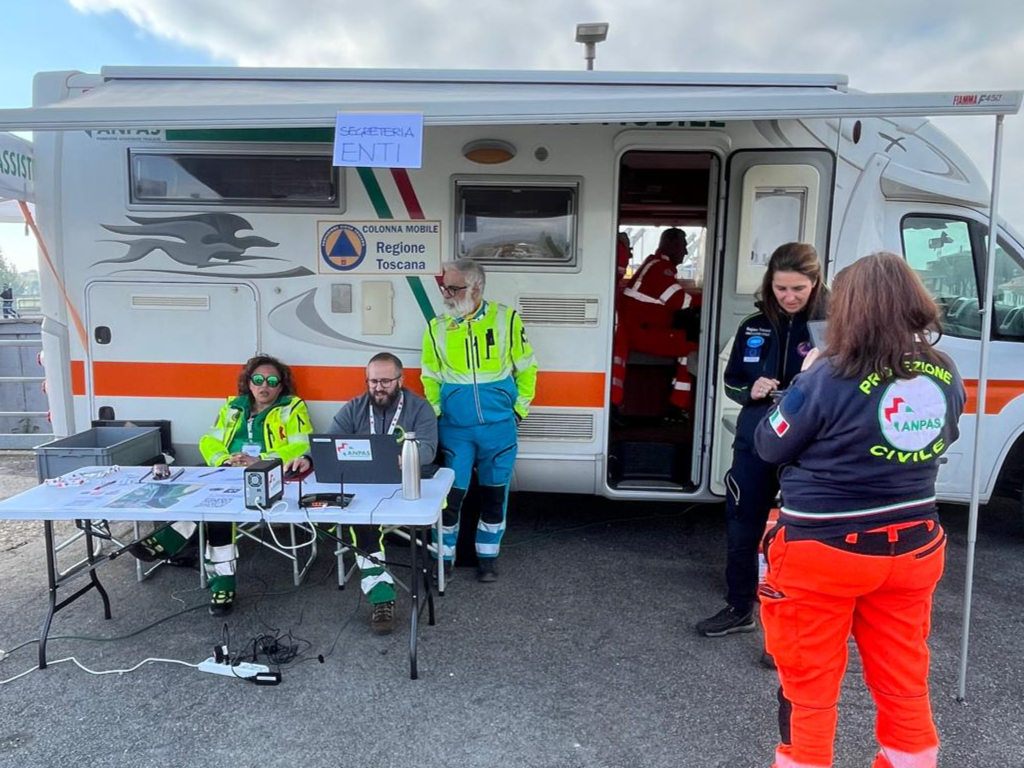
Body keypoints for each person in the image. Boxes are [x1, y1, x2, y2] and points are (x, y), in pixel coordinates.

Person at [754, 252, 965, 768]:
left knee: (809, 686)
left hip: (822, 550)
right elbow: (947, 433)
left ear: (849, 308)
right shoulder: (943, 370)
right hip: (914, 545)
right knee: (904, 680)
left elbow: (769, 445)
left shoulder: (827, 373)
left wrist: (802, 380)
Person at [697, 242, 827, 637]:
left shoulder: (833, 327)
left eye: (798, 289)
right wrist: (751, 389)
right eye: (780, 288)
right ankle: (739, 607)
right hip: (757, 438)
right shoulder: (752, 325)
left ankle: (795, 625)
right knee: (742, 521)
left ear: (815, 284)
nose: (788, 297)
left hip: (810, 447)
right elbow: (732, 381)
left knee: (804, 534)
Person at [129, 354, 313, 616]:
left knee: (217, 511)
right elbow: (209, 440)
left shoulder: (292, 407)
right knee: (203, 497)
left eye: (273, 381)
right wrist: (225, 460)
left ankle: (202, 567)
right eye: (258, 379)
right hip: (227, 471)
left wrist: (259, 460)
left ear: (281, 386)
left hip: (265, 473)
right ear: (248, 383)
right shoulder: (232, 408)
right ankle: (220, 582)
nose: (265, 386)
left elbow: (301, 443)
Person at [285, 352, 438, 634]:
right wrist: (308, 458)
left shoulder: (420, 408)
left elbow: (429, 449)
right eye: (373, 381)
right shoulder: (355, 407)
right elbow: (331, 439)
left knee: (362, 520)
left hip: (404, 485)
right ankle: (382, 597)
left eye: (386, 381)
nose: (378, 387)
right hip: (363, 486)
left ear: (400, 380)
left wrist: (405, 456)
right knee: (360, 520)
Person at [421, 258, 538, 582]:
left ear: (477, 288)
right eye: (445, 287)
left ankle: (488, 559)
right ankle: (442, 558)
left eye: (454, 288)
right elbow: (429, 375)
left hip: (499, 428)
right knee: (449, 498)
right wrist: (438, 411)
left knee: (493, 497)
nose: (447, 294)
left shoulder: (506, 319)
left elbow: (527, 368)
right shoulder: (436, 326)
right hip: (455, 430)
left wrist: (519, 410)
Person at [611, 228, 702, 418]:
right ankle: (678, 407)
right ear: (671, 244)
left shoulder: (655, 265)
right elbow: (679, 301)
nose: (685, 252)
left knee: (687, 342)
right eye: (683, 246)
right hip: (642, 333)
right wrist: (710, 300)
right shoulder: (660, 269)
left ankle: (676, 404)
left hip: (642, 330)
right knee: (692, 348)